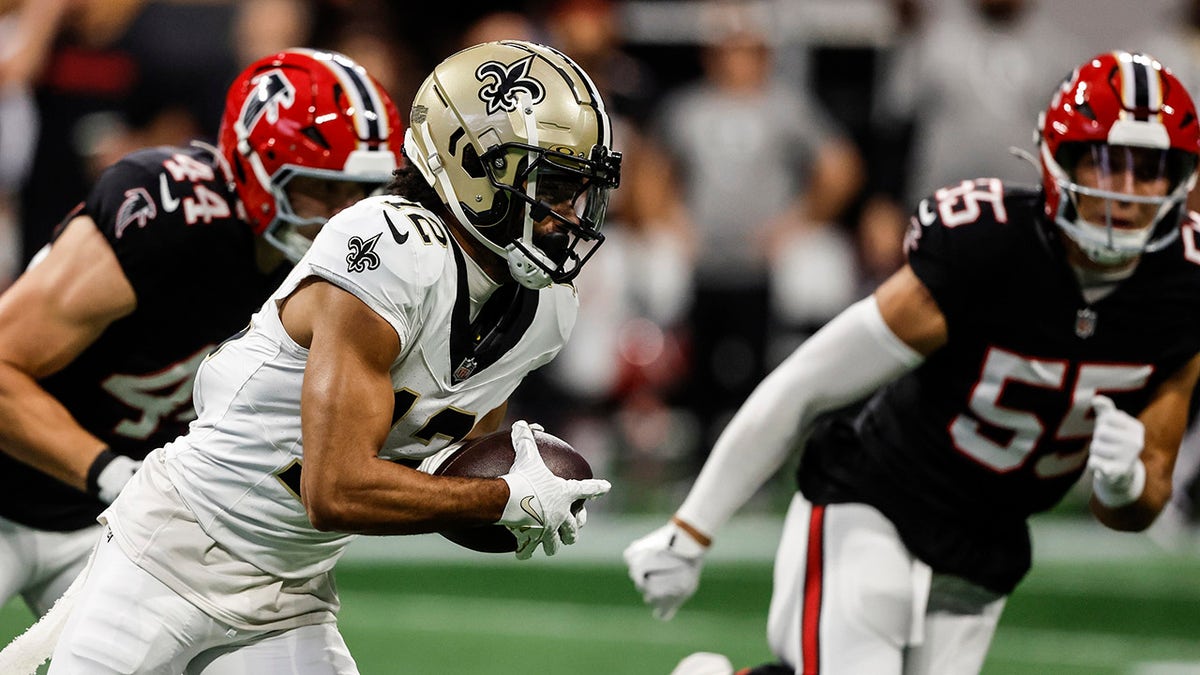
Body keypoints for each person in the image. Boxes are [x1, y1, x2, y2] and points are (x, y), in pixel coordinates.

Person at [29, 40, 619, 673]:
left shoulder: (547, 308)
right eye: (552, 186)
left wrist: (510, 487)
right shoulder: (388, 248)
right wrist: (499, 499)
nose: (567, 215)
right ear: (474, 167)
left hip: (292, 589)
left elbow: (447, 461)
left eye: (580, 191)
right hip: (170, 552)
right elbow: (334, 490)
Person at [625, 50, 1200, 675]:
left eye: (1152, 170)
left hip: (990, 537)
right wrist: (692, 529)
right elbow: (805, 386)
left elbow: (1139, 505)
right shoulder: (986, 247)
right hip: (880, 496)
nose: (1129, 192)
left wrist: (1127, 484)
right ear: (1060, 159)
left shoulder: (1184, 290)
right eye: (1109, 163)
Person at [0, 47, 402, 635]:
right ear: (257, 167)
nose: (347, 216)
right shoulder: (169, 215)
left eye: (360, 190)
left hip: (105, 513)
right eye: (322, 189)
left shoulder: (353, 264)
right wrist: (116, 476)